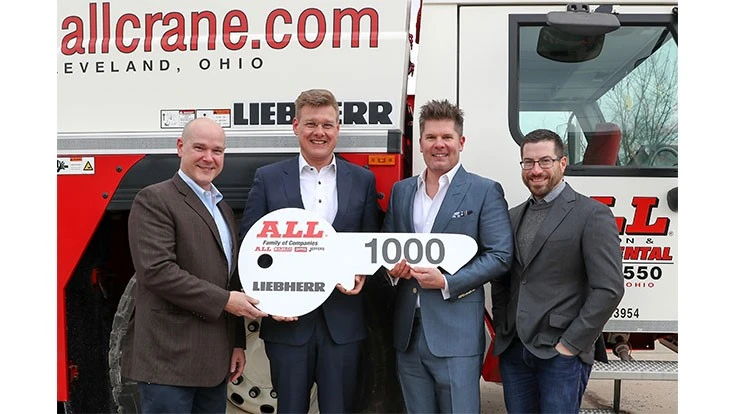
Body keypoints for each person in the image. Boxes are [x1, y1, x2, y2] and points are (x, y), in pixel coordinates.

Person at [238, 88, 380, 413]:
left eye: (327, 125)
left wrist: (362, 273)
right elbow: (250, 246)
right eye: (311, 124)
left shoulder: (363, 180)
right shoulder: (268, 178)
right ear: (296, 126)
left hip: (342, 324)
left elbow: (368, 242)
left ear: (338, 129)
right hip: (288, 324)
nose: (320, 132)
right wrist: (267, 300)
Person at [123, 117, 268, 414]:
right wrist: (225, 301)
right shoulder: (155, 199)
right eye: (199, 148)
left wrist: (236, 343)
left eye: (217, 151)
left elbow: (228, 279)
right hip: (168, 363)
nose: (208, 158)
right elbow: (157, 272)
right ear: (180, 147)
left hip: (213, 365)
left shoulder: (221, 208)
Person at [382, 99, 514, 413]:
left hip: (456, 334)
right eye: (431, 137)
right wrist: (391, 270)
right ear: (420, 143)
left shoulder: (484, 191)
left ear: (461, 142)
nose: (438, 144)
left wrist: (446, 282)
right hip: (408, 332)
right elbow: (387, 246)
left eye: (447, 137)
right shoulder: (402, 191)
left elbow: (500, 255)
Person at [491, 128, 625, 413]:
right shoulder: (512, 216)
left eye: (545, 161)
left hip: (561, 355)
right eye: (528, 162)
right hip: (516, 350)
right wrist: (504, 327)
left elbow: (609, 289)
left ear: (562, 163)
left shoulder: (592, 214)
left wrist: (570, 345)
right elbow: (503, 279)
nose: (536, 170)